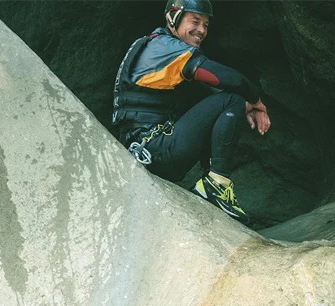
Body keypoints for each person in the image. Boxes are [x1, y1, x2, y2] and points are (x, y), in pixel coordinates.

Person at [111, 0, 271, 224]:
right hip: (155, 148)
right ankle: (216, 184)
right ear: (173, 18)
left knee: (224, 103)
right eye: (195, 21)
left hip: (145, 150)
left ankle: (209, 186)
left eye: (206, 25)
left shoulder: (155, 46)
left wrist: (246, 107)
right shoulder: (167, 48)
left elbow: (209, 95)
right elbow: (228, 79)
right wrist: (257, 102)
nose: (202, 30)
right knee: (231, 99)